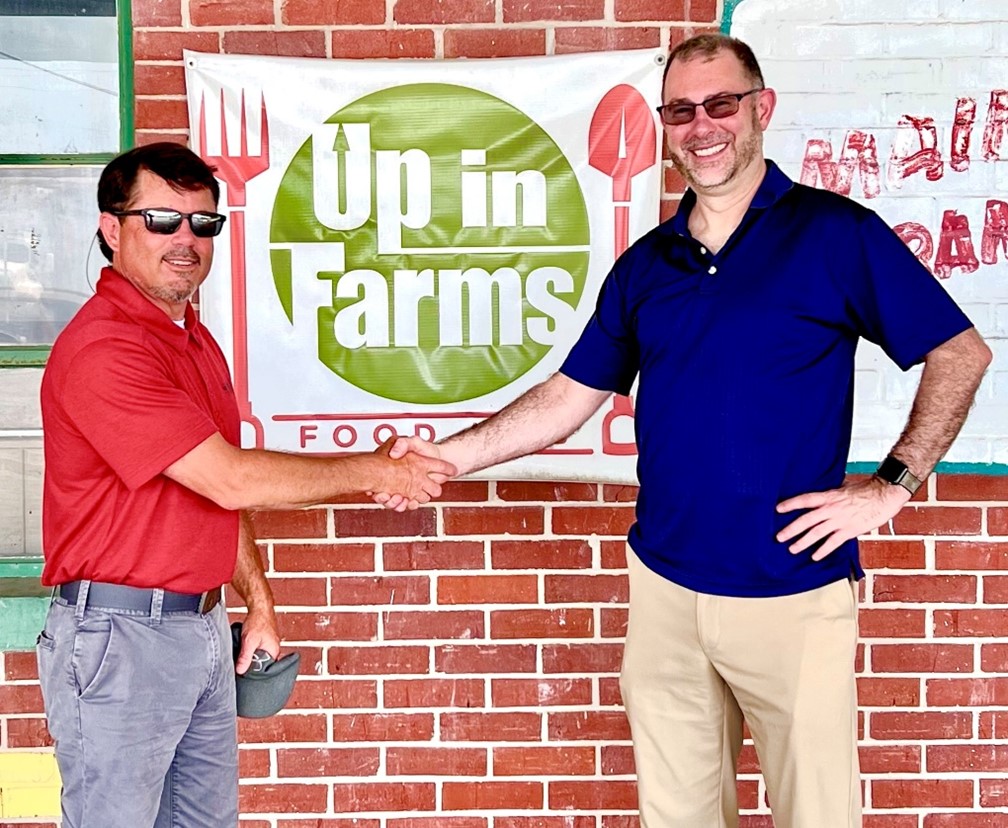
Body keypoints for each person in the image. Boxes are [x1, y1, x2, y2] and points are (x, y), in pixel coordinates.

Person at [377, 34, 992, 828]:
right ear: (664, 125)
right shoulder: (646, 265)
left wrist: (891, 486)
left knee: (818, 816)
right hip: (665, 588)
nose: (701, 127)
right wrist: (447, 457)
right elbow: (569, 397)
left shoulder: (835, 234)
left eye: (721, 104)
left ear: (760, 109)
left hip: (791, 594)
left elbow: (960, 352)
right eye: (680, 111)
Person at [36, 143, 455, 828]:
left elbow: (214, 492)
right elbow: (228, 479)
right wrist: (381, 471)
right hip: (119, 642)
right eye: (162, 220)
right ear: (112, 229)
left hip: (199, 630)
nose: (186, 241)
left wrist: (256, 602)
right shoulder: (104, 346)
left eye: (204, 224)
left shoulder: (193, 340)